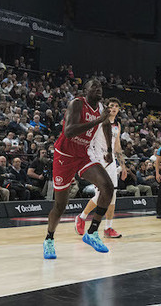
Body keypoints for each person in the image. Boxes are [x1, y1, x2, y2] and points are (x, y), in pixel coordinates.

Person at [43, 79, 114, 260]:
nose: (98, 89)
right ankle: (49, 239)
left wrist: (109, 150)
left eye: (100, 87)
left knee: (107, 187)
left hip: (83, 155)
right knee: (60, 205)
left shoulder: (100, 108)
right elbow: (69, 131)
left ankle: (92, 232)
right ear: (85, 90)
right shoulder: (77, 104)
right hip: (64, 156)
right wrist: (98, 120)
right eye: (94, 86)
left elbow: (105, 125)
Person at [75, 98, 127, 238]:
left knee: (113, 195)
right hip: (98, 160)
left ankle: (108, 228)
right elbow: (89, 141)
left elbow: (117, 147)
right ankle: (82, 217)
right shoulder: (99, 122)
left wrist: (123, 165)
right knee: (101, 195)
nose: (114, 108)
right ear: (107, 108)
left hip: (111, 162)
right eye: (111, 106)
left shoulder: (117, 125)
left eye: (116, 106)